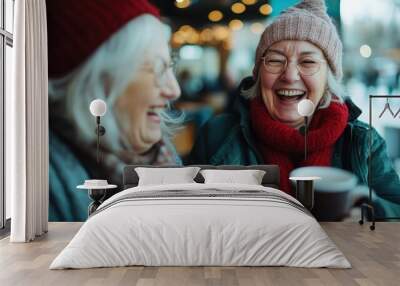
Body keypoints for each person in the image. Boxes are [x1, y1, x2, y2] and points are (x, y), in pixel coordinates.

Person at [188, 0, 400, 218]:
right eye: (276, 61)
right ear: (259, 75)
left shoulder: (364, 143)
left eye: (307, 62)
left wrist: (366, 213)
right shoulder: (216, 136)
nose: (289, 76)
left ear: (328, 80)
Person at [47, 0, 182, 221]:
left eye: (169, 67)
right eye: (156, 68)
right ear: (95, 79)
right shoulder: (43, 183)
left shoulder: (161, 158)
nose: (173, 90)